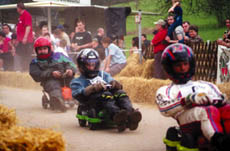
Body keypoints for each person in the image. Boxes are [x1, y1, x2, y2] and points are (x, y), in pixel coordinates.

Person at [156, 43, 230, 151]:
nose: (183, 68)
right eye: (178, 65)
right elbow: (164, 109)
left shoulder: (206, 84)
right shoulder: (166, 90)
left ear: (191, 64)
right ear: (169, 68)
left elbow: (221, 99)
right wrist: (187, 100)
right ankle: (219, 141)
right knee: (208, 110)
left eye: (185, 64)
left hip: (213, 114)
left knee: (227, 109)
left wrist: (221, 100)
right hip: (187, 119)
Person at [70, 48, 142, 132]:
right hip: (94, 101)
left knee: (121, 93)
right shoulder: (78, 81)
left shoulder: (103, 75)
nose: (91, 67)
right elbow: (77, 94)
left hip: (110, 97)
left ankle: (130, 114)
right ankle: (117, 115)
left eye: (93, 64)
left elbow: (112, 82)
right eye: (88, 64)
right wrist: (92, 88)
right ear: (82, 65)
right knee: (105, 95)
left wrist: (115, 84)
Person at [29, 37, 77, 112]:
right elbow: (36, 74)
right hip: (50, 80)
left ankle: (82, 98)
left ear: (49, 48)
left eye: (44, 48)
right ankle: (58, 102)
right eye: (40, 49)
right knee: (53, 85)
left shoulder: (59, 55)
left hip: (65, 77)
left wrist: (70, 70)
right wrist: (51, 74)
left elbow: (70, 63)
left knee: (75, 82)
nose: (43, 51)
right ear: (36, 51)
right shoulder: (35, 62)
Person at [16, 2, 34, 72]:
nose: (16, 9)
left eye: (17, 8)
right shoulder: (21, 16)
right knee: (21, 54)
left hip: (27, 40)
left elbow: (28, 26)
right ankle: (23, 69)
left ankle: (26, 69)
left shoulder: (26, 14)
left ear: (19, 8)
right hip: (21, 40)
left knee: (26, 55)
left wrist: (25, 37)